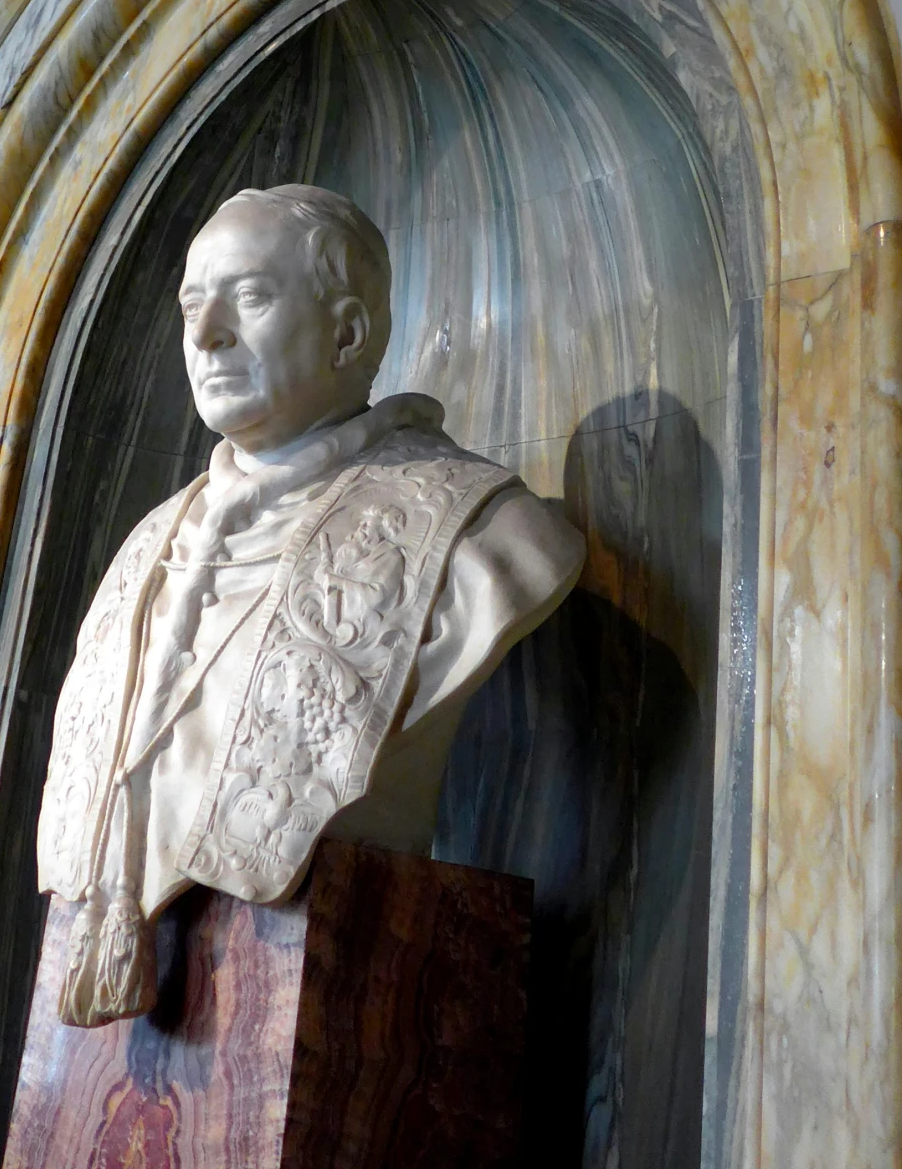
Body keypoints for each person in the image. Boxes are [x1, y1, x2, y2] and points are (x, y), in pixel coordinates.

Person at [36, 182, 584, 1026]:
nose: (204, 333)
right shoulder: (146, 547)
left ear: (349, 332)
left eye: (249, 297)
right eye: (191, 303)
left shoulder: (484, 536)